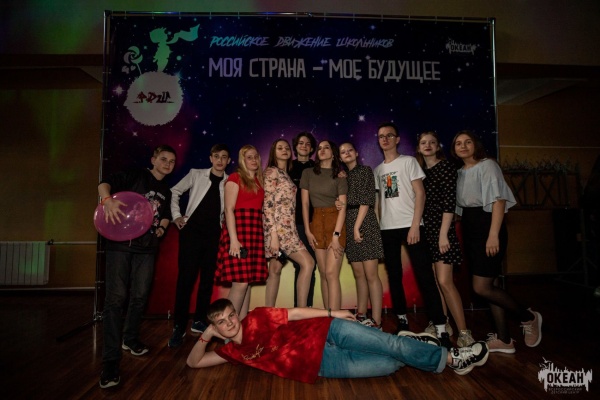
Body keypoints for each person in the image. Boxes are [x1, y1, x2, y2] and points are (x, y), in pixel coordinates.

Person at [186, 298, 489, 382]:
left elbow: (296, 313)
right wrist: (206, 336)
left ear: (236, 312)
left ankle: (452, 358)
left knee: (392, 346)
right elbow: (194, 363)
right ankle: (415, 343)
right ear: (215, 327)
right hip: (321, 364)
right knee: (390, 364)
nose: (229, 323)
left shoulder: (257, 316)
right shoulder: (231, 352)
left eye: (230, 315)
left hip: (325, 331)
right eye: (221, 322)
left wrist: (333, 312)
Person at [451, 130, 542, 353]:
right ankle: (504, 339)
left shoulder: (488, 165)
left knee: (481, 287)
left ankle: (528, 317)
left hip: (488, 226)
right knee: (489, 286)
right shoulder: (460, 173)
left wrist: (493, 235)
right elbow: (461, 208)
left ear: (476, 145)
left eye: (468, 142)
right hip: (470, 228)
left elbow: (498, 201)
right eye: (458, 143)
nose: (463, 146)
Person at [97, 144, 176, 389]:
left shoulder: (166, 190)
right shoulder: (135, 175)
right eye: (163, 159)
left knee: (140, 296)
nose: (168, 164)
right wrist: (107, 200)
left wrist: (161, 228)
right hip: (120, 244)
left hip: (147, 248)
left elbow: (165, 214)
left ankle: (129, 339)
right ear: (153, 159)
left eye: (172, 161)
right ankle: (110, 362)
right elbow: (104, 184)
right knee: (115, 299)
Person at [373, 122, 449, 347]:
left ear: (397, 139)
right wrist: (377, 228)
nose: (385, 139)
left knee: (425, 276)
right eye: (381, 136)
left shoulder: (409, 162)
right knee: (394, 276)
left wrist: (416, 225)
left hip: (411, 225)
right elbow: (378, 203)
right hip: (387, 229)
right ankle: (402, 321)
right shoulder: (378, 170)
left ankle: (441, 328)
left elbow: (420, 194)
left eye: (389, 135)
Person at [168, 144, 231, 348]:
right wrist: (176, 216)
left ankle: (199, 321)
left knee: (206, 281)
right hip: (191, 234)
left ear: (229, 161)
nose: (220, 160)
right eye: (216, 156)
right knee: (185, 281)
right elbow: (175, 191)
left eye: (224, 157)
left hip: (214, 236)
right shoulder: (196, 174)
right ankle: (179, 326)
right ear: (211, 158)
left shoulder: (230, 181)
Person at [416, 132, 474, 347]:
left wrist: (443, 235)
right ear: (418, 147)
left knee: (444, 282)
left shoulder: (446, 168)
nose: (428, 145)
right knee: (434, 283)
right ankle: (443, 323)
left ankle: (465, 332)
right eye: (423, 143)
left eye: (432, 142)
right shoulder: (420, 172)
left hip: (442, 231)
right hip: (425, 231)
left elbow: (449, 203)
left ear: (438, 146)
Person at [214, 145, 267, 320]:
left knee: (247, 282)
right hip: (238, 232)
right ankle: (226, 327)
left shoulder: (259, 181)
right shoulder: (235, 178)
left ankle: (241, 327)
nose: (254, 160)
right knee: (241, 283)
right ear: (242, 160)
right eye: (249, 157)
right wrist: (234, 240)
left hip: (254, 233)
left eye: (256, 156)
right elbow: (229, 209)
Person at [263, 139, 316, 307]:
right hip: (279, 230)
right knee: (307, 263)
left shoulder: (285, 173)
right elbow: (267, 205)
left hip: (289, 228)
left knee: (275, 269)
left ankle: (276, 312)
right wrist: (273, 236)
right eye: (280, 148)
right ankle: (299, 310)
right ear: (273, 152)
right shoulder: (272, 172)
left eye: (286, 148)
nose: (284, 150)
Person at [339, 142, 385, 329]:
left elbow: (366, 200)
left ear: (357, 153)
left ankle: (377, 321)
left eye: (350, 150)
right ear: (340, 157)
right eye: (343, 152)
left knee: (371, 274)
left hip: (365, 222)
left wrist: (357, 227)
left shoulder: (365, 171)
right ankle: (362, 314)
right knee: (358, 274)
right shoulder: (342, 176)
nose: (347, 153)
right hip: (349, 222)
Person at [300, 140, 347, 310]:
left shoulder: (340, 176)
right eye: (319, 148)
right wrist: (307, 230)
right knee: (322, 273)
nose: (322, 150)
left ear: (333, 153)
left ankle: (336, 319)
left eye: (326, 147)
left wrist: (336, 236)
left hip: (336, 222)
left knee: (331, 273)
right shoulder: (308, 173)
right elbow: (305, 203)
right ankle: (328, 317)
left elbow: (343, 207)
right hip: (317, 222)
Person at [289, 132, 318, 307]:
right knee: (301, 265)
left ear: (312, 148)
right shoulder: (288, 167)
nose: (304, 146)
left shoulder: (317, 167)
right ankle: (298, 309)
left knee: (311, 266)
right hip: (292, 223)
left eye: (308, 144)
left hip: (313, 222)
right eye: (301, 143)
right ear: (296, 146)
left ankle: (307, 307)